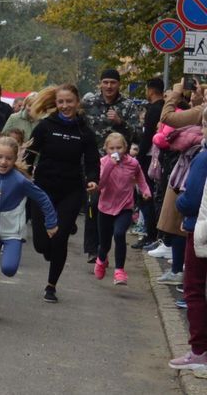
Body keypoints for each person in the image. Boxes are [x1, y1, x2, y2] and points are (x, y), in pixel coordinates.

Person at [0, 136, 58, 321]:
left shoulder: (20, 181)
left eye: (8, 158)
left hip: (13, 233)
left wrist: (51, 222)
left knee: (9, 269)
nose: (3, 162)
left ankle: (10, 254)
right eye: (0, 157)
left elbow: (42, 198)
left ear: (15, 159)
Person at [27, 84, 100, 303]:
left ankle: (51, 286)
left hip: (71, 191)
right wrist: (24, 173)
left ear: (77, 102)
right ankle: (50, 249)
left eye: (69, 101)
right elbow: (30, 154)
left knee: (59, 239)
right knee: (42, 244)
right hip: (43, 189)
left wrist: (92, 179)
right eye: (61, 102)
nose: (65, 106)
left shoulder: (84, 131)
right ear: (55, 104)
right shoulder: (45, 127)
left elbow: (92, 160)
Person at [81, 68, 141, 262]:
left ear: (119, 84)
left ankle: (104, 247)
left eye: (112, 83)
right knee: (93, 203)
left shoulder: (128, 105)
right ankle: (93, 249)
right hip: (93, 162)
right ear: (100, 83)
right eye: (105, 82)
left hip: (118, 166)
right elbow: (78, 126)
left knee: (110, 208)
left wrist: (120, 122)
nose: (109, 86)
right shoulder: (89, 103)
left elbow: (137, 134)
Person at [171, 110, 207, 371]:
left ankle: (199, 351)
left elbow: (191, 200)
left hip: (201, 231)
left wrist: (180, 202)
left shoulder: (203, 158)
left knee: (194, 288)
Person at [93, 132, 151, 284]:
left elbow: (140, 177)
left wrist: (145, 191)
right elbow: (101, 184)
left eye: (119, 147)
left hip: (125, 206)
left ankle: (119, 271)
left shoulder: (133, 163)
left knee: (119, 234)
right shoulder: (104, 162)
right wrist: (110, 165)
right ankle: (101, 259)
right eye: (111, 148)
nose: (115, 151)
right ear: (106, 149)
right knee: (104, 243)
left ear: (125, 147)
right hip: (105, 207)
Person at [136, 78, 166, 249]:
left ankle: (150, 234)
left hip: (149, 158)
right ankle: (154, 233)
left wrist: (139, 157)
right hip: (159, 157)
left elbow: (147, 137)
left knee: (145, 195)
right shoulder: (166, 108)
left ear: (150, 90)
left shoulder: (153, 109)